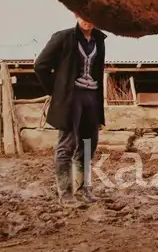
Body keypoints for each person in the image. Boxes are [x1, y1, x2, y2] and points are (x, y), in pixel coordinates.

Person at [33, 13, 107, 206]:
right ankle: (65, 194)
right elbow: (40, 65)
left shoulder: (99, 39)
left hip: (92, 97)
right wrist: (56, 91)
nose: (86, 19)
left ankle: (82, 190)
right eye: (82, 14)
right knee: (67, 144)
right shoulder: (63, 37)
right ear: (75, 14)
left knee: (88, 145)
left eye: (90, 15)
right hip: (71, 98)